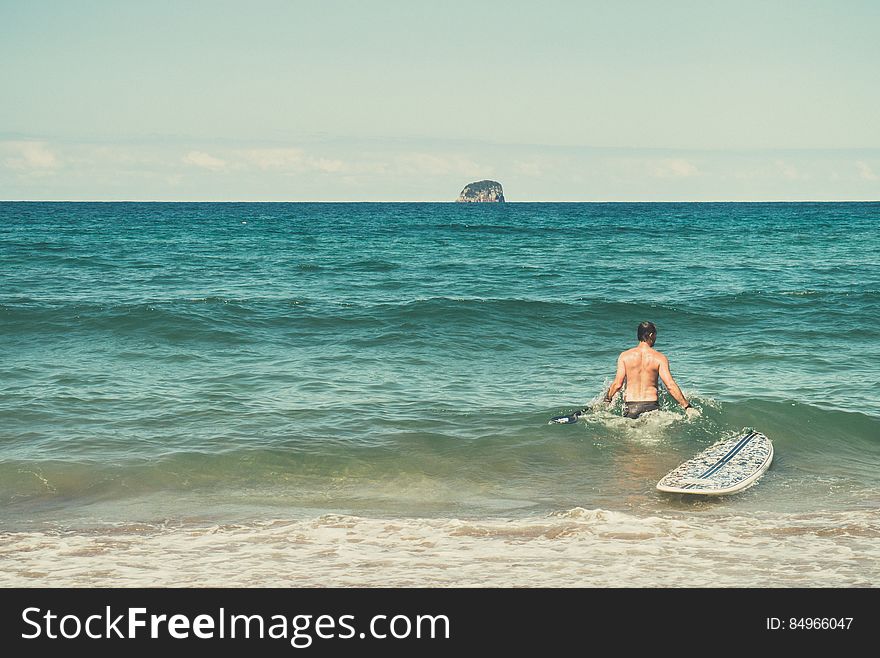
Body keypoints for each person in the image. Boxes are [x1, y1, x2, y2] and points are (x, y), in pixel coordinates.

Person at [604, 321, 697, 419]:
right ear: (651, 335)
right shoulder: (660, 358)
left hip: (631, 407)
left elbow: (617, 384)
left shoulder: (624, 356)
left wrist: (607, 399)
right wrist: (687, 406)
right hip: (651, 406)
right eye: (655, 335)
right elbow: (670, 385)